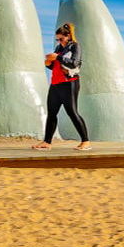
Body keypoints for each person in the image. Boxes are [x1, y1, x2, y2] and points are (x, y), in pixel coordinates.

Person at [34, 23, 90, 151]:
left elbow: (74, 63)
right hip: (55, 84)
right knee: (52, 113)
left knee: (72, 112)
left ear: (68, 36)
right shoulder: (59, 47)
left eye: (61, 39)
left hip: (69, 83)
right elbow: (55, 66)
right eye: (57, 39)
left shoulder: (75, 46)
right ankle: (47, 142)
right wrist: (48, 63)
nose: (59, 41)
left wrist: (57, 57)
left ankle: (85, 141)